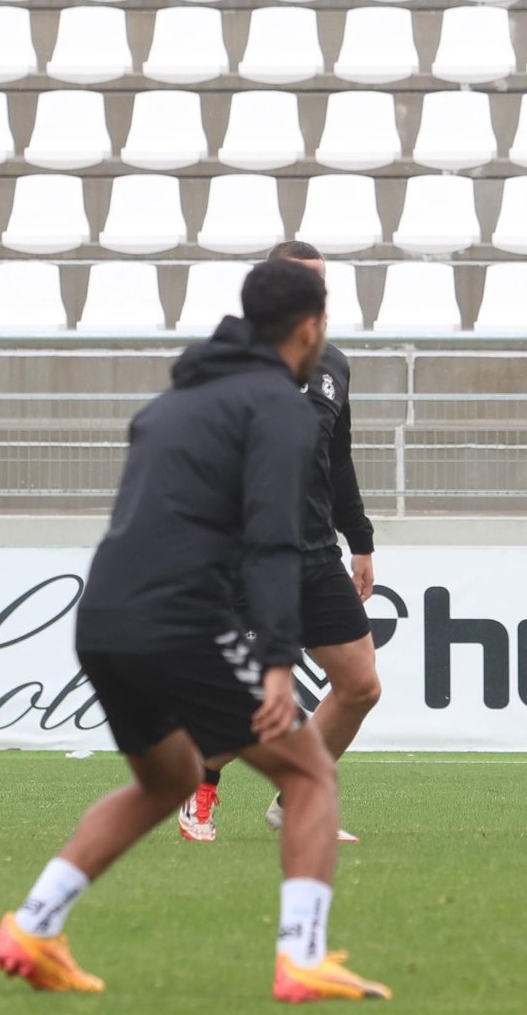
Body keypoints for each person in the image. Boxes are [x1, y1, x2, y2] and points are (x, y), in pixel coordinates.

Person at [0, 259, 390, 1001]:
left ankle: (34, 926)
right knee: (308, 775)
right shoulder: (280, 408)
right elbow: (272, 541)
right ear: (311, 327)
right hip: (182, 618)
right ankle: (301, 956)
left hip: (104, 617)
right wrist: (277, 659)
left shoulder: (174, 401)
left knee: (166, 779)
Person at [179, 241, 381, 845]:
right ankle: (199, 785)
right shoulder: (228, 363)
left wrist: (360, 540)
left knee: (360, 685)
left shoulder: (333, 364)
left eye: (319, 286)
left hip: (315, 552)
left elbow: (336, 461)